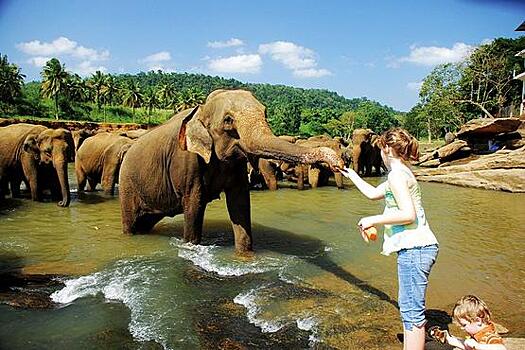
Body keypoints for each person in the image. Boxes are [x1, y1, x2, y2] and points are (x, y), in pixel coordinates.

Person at [339, 127, 439, 350]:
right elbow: (374, 194)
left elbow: (408, 214)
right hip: (417, 248)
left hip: (416, 248)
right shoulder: (402, 173)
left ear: (386, 149)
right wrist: (352, 175)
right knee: (409, 307)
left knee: (411, 312)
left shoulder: (396, 176)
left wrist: (371, 220)